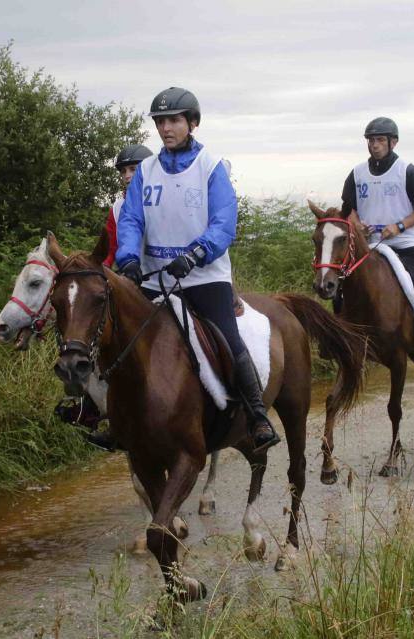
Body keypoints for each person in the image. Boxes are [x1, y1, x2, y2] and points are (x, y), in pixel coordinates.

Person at [115, 87, 280, 453]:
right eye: (160, 122)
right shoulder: (146, 170)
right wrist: (128, 258)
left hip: (203, 276)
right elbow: (131, 219)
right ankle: (112, 417)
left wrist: (195, 254)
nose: (165, 128)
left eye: (174, 120)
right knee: (120, 336)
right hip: (156, 278)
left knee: (228, 340)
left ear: (192, 123)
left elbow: (223, 223)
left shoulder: (211, 166)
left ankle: (256, 415)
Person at [341, 116, 414, 359]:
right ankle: (339, 338)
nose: (374, 145)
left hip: (403, 242)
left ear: (394, 142)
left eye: (380, 140)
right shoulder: (357, 174)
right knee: (340, 280)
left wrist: (399, 226)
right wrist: (357, 224)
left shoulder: (409, 172)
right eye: (371, 140)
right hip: (369, 245)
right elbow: (348, 209)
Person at [103, 144, 153, 268]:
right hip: (130, 273)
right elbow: (111, 249)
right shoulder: (117, 208)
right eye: (123, 171)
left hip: (167, 273)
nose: (127, 175)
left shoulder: (161, 201)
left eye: (133, 169)